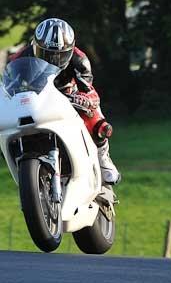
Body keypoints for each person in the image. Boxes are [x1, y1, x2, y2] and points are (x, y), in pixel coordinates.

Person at [10, 18, 121, 184]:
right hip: (33, 98)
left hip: (68, 96)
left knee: (99, 124)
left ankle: (104, 159)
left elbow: (89, 91)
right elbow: (8, 86)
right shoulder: (20, 58)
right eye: (47, 54)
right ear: (35, 47)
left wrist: (85, 100)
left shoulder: (80, 60)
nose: (52, 60)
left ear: (70, 50)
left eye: (59, 55)